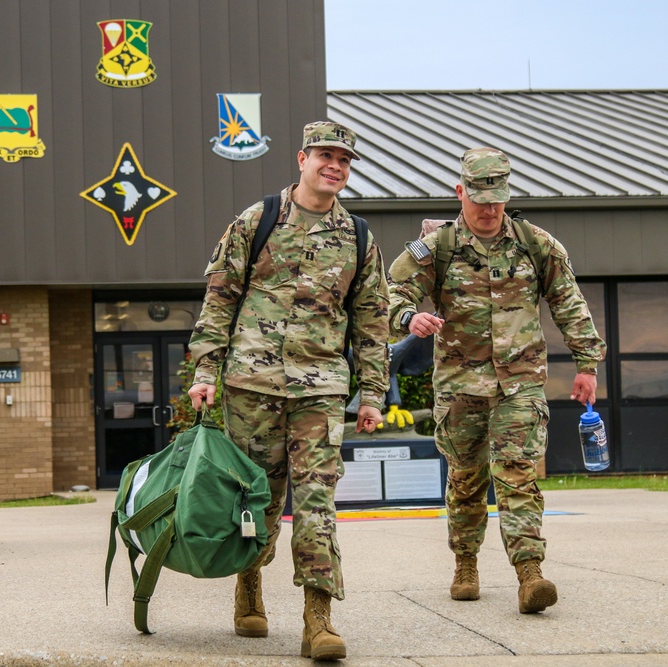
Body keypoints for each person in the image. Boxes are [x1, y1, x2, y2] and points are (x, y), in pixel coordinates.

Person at [188, 121, 390, 660]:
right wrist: (204, 373)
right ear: (302, 159)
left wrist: (372, 393)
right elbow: (220, 300)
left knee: (317, 501)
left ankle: (318, 620)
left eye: (345, 160)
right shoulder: (258, 220)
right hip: (250, 386)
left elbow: (372, 322)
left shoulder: (360, 238)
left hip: (320, 390)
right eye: (326, 155)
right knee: (259, 498)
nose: (336, 166)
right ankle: (250, 584)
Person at [387, 147, 606, 614]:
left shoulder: (535, 243)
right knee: (465, 480)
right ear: (460, 192)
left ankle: (530, 573)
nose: (489, 209)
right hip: (460, 385)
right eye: (479, 198)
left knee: (517, 476)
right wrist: (410, 317)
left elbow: (568, 302)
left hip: (520, 383)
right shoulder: (438, 246)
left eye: (498, 199)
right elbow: (392, 292)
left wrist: (587, 363)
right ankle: (465, 562)